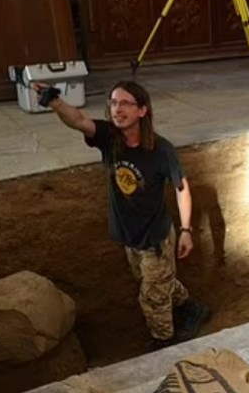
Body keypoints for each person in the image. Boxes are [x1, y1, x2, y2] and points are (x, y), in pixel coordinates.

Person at [35, 80, 210, 348]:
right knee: (154, 282)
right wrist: (55, 102)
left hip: (155, 239)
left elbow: (181, 188)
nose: (117, 109)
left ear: (142, 110)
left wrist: (186, 230)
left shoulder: (161, 150)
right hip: (129, 236)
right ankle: (191, 308)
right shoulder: (109, 137)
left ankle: (165, 343)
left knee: (151, 296)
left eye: (125, 103)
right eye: (113, 102)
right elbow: (79, 120)